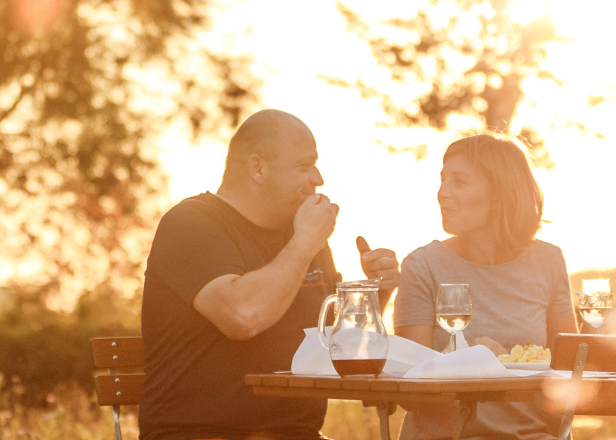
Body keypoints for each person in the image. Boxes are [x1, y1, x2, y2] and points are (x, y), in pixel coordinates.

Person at [139, 109, 400, 440]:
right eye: (304, 166)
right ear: (258, 168)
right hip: (199, 433)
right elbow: (242, 316)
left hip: (297, 433)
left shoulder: (304, 237)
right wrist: (305, 242)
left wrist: (375, 293)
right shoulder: (190, 224)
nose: (318, 179)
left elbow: (329, 341)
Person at [393, 134, 575, 440]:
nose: (442, 193)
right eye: (443, 179)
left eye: (459, 182)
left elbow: (569, 369)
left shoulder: (548, 260)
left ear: (498, 196)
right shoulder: (422, 266)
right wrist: (465, 362)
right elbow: (410, 392)